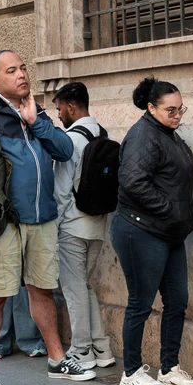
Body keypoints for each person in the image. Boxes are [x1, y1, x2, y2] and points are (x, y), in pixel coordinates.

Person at [0, 49, 95, 385]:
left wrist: (36, 121)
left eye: (23, 67)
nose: (22, 74)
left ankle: (57, 360)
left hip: (42, 219)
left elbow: (64, 150)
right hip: (2, 221)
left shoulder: (35, 108)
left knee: (42, 291)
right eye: (11, 70)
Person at [112, 77, 193, 385]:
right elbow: (133, 182)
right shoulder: (143, 135)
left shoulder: (167, 134)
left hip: (169, 231)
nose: (177, 116)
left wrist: (175, 216)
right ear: (151, 107)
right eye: (170, 110)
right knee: (141, 303)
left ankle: (169, 368)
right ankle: (132, 371)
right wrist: (171, 210)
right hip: (141, 230)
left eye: (180, 110)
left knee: (177, 301)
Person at [51, 82, 114, 369]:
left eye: (60, 109)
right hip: (98, 224)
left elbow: (62, 191)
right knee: (85, 286)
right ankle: (102, 348)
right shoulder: (103, 134)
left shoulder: (70, 140)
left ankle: (82, 351)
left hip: (73, 227)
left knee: (73, 290)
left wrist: (58, 226)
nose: (59, 115)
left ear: (72, 107)